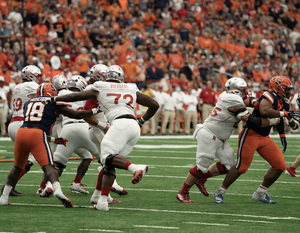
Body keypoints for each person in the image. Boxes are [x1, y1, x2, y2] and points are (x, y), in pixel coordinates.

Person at [48, 65, 159, 211]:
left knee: (107, 158)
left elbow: (76, 96)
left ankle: (134, 168)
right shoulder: (130, 87)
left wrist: (55, 99)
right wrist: (141, 122)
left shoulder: (101, 86)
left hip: (118, 125)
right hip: (133, 126)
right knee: (109, 162)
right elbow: (154, 105)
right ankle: (100, 199)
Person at [176, 77, 279, 203]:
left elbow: (248, 101)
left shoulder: (229, 96)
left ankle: (201, 179)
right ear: (236, 91)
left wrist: (256, 103)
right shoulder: (232, 99)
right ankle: (183, 192)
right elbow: (251, 120)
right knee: (201, 167)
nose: (246, 92)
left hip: (219, 137)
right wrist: (273, 120)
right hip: (210, 134)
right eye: (244, 89)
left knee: (228, 167)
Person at [0, 83, 101, 207]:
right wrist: (95, 110)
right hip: (37, 134)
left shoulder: (28, 103)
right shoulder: (53, 102)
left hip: (21, 133)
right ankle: (58, 190)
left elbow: (33, 125)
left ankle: (4, 197)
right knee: (49, 166)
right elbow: (75, 115)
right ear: (52, 93)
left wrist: (53, 140)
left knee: (17, 167)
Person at [213, 76, 300, 204]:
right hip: (251, 134)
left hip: (264, 137)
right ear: (278, 89)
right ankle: (220, 191)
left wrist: (284, 133)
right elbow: (265, 111)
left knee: (280, 166)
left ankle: (260, 193)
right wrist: (285, 114)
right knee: (241, 167)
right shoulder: (269, 95)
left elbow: (287, 123)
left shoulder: (284, 101)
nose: (289, 92)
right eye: (286, 89)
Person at [4, 65, 40, 196]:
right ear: (32, 75)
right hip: (22, 124)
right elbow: (45, 94)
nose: (39, 79)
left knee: (21, 160)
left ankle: (9, 187)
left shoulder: (17, 86)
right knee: (30, 159)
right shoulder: (31, 85)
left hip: (13, 123)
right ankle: (8, 186)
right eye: (38, 76)